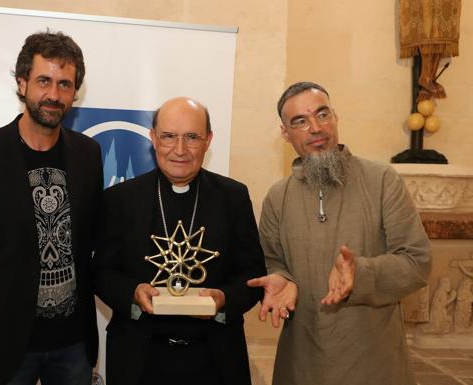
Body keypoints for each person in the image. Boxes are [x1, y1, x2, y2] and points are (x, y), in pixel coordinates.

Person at [0, 31, 102, 385]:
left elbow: (90, 235)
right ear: (22, 82)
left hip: (73, 343)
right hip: (4, 340)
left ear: (75, 91)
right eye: (44, 81)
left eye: (64, 84)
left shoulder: (89, 154)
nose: (53, 95)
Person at [248, 82, 432, 385]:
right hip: (301, 360)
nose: (316, 128)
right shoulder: (278, 197)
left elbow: (417, 262)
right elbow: (272, 262)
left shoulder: (381, 180)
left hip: (373, 361)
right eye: (300, 121)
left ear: (336, 117)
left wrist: (361, 273)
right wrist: (283, 278)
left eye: (323, 114)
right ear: (285, 133)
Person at [93, 97, 266, 385]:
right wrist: (132, 293)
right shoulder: (120, 199)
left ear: (208, 140)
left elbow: (253, 274)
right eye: (169, 136)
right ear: (153, 138)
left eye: (192, 137)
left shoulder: (232, 198)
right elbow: (101, 273)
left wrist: (224, 300)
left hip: (215, 360)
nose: (180, 149)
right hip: (140, 360)